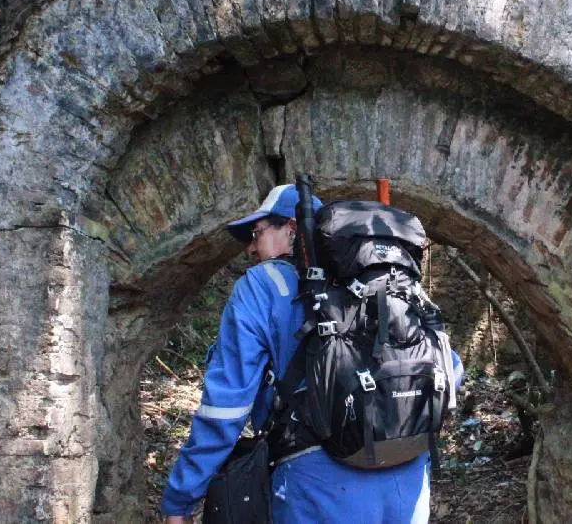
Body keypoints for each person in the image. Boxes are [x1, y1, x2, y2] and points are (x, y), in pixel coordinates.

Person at [161, 184, 459, 523]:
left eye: (257, 233)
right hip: (407, 480)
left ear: (291, 229)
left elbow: (225, 407)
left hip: (318, 485)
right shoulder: (390, 281)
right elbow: (450, 369)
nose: (251, 248)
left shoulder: (261, 286)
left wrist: (181, 498)